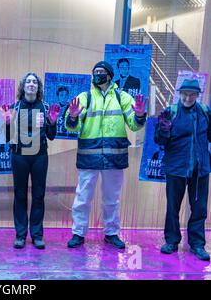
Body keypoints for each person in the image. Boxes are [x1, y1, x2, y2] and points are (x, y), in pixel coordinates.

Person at [65, 61, 147, 249]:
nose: (97, 75)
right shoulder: (84, 97)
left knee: (112, 199)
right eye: (95, 72)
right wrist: (72, 116)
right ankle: (78, 233)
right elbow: (72, 127)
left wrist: (140, 115)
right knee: (82, 198)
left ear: (110, 75)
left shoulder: (122, 97)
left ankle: (111, 233)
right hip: (88, 157)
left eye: (101, 72)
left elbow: (134, 124)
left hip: (114, 158)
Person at [154, 79, 211, 261]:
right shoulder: (170, 112)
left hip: (200, 169)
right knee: (173, 207)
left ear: (197, 95)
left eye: (192, 94)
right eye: (185, 94)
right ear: (180, 94)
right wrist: (163, 130)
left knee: (200, 209)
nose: (188, 97)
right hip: (176, 167)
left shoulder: (205, 112)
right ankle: (171, 241)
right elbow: (159, 141)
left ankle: (197, 244)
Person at [3, 72, 61, 250]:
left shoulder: (45, 107)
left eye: (34, 82)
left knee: (38, 195)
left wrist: (52, 122)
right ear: (23, 86)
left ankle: (37, 235)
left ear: (38, 87)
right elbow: (7, 138)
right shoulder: (15, 107)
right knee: (19, 195)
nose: (31, 84)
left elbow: (51, 137)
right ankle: (20, 235)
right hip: (19, 156)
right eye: (28, 81)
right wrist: (6, 124)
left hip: (39, 157)